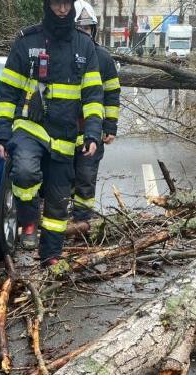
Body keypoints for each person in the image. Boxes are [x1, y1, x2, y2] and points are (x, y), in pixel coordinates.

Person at [0, 0, 104, 267]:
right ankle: (28, 221)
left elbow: (92, 96)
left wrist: (92, 133)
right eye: (57, 4)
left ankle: (51, 257)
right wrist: (2, 133)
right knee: (24, 171)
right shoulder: (26, 42)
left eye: (67, 4)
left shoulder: (84, 46)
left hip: (65, 136)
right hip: (30, 127)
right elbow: (8, 91)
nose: (63, 10)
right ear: (47, 5)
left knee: (57, 203)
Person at [68, 1, 118, 233]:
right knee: (62, 177)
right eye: (80, 28)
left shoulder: (103, 58)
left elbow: (112, 93)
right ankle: (60, 219)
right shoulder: (62, 54)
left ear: (94, 30)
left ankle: (81, 221)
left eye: (88, 28)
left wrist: (110, 126)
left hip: (91, 129)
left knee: (86, 177)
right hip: (63, 130)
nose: (84, 33)